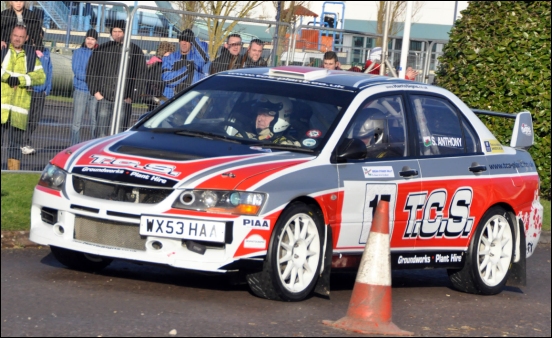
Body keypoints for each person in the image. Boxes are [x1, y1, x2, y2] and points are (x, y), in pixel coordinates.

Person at [86, 20, 147, 137]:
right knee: (101, 133)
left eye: (120, 31)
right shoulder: (102, 49)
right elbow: (91, 71)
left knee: (119, 134)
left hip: (124, 99)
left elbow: (142, 74)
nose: (117, 34)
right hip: (104, 98)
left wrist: (132, 96)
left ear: (125, 32)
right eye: (114, 31)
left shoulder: (134, 50)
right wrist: (96, 92)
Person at [1, 24, 45, 170]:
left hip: (19, 110)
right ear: (10, 36)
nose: (18, 39)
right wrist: (7, 78)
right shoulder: (3, 51)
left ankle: (13, 174)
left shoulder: (31, 56)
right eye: (15, 35)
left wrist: (20, 80)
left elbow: (40, 77)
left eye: (21, 36)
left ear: (26, 38)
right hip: (2, 107)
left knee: (14, 146)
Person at [21, 28, 52, 155]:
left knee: (35, 119)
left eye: (40, 36)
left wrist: (47, 88)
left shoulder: (46, 53)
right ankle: (24, 142)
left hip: (41, 91)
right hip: (29, 89)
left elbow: (49, 71)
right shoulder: (26, 51)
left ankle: (25, 140)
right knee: (25, 117)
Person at [161, 29, 209, 100]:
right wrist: (186, 70)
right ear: (179, 42)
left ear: (191, 43)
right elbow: (167, 79)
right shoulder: (169, 58)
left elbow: (202, 60)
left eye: (187, 40)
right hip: (170, 99)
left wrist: (194, 40)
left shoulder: (195, 58)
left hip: (191, 100)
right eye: (182, 40)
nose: (184, 43)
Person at [70, 29, 99, 145]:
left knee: (95, 121)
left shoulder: (99, 53)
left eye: (92, 39)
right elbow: (77, 70)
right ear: (85, 39)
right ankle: (74, 145)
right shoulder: (78, 53)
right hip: (81, 90)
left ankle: (94, 145)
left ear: (96, 40)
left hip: (95, 92)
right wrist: (92, 79)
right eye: (88, 38)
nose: (90, 41)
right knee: (77, 122)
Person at [143, 41, 175, 111]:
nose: (171, 55)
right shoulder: (158, 65)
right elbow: (154, 81)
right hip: (157, 97)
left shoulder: (156, 63)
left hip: (154, 96)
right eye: (169, 53)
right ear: (164, 52)